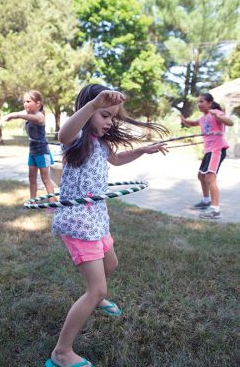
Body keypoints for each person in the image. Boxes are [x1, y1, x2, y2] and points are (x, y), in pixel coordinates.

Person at [46, 84, 169, 367]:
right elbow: (63, 133)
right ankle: (62, 352)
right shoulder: (76, 139)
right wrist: (91, 106)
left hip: (97, 218)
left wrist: (143, 150)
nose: (109, 122)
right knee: (97, 288)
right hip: (78, 221)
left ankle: (97, 300)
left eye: (112, 117)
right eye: (105, 115)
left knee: (110, 263)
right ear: (88, 111)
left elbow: (117, 159)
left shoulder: (101, 144)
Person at [180, 93, 233, 220]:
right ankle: (206, 201)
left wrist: (218, 116)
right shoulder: (203, 118)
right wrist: (184, 120)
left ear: (209, 103)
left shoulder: (215, 112)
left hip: (217, 149)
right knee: (201, 176)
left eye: (202, 101)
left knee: (209, 177)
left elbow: (230, 122)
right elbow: (193, 123)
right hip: (209, 150)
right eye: (198, 102)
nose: (199, 104)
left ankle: (215, 210)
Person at [0, 90, 55, 200]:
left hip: (42, 150)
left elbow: (17, 115)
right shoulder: (27, 113)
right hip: (32, 150)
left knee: (45, 178)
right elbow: (13, 115)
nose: (25, 104)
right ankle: (33, 201)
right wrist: (1, 121)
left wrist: (15, 116)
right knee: (32, 177)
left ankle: (52, 204)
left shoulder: (39, 116)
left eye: (28, 101)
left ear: (38, 103)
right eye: (24, 102)